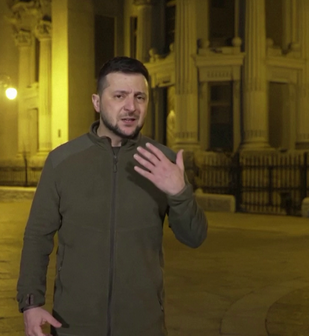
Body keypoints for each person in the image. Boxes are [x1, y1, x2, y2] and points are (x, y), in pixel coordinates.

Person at [16, 56, 208, 336]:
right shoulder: (63, 161)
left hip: (143, 326)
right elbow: (37, 235)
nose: (131, 107)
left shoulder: (163, 161)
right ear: (96, 102)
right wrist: (31, 303)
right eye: (119, 96)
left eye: (140, 97)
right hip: (74, 324)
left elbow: (194, 237)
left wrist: (180, 192)